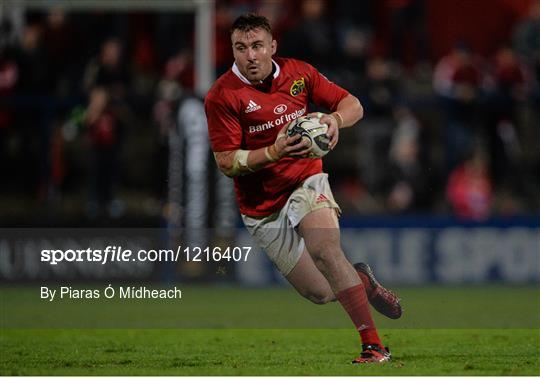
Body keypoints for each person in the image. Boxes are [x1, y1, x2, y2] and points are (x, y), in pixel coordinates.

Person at [204, 14, 401, 364]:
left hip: (306, 180)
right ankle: (363, 282)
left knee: (325, 250)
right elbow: (226, 162)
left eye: (257, 46)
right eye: (241, 48)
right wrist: (274, 152)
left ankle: (373, 346)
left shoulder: (300, 74)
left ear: (272, 47)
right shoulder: (222, 96)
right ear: (233, 51)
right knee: (321, 292)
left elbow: (353, 104)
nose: (250, 56)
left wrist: (335, 119)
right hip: (262, 206)